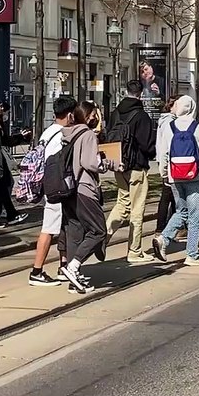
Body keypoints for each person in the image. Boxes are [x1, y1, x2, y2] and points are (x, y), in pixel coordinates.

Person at [153, 95, 199, 266]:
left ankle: (163, 238)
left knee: (181, 211)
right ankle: (192, 255)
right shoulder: (198, 127)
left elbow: (164, 153)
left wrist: (164, 174)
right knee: (195, 215)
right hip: (193, 176)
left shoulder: (169, 126)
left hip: (174, 176)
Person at [59, 102, 116, 293]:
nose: (96, 118)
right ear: (88, 116)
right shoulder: (88, 134)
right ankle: (73, 266)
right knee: (98, 231)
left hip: (69, 189)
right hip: (84, 189)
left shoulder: (68, 133)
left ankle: (73, 279)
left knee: (74, 233)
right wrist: (108, 164)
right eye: (94, 114)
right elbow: (90, 163)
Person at [105, 81, 158, 264]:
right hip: (136, 167)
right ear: (140, 94)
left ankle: (102, 237)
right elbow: (147, 145)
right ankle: (134, 251)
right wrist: (151, 153)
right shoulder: (142, 116)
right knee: (137, 208)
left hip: (118, 165)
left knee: (122, 203)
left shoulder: (115, 113)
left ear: (126, 92)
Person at [28, 97, 78, 286]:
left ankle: (63, 265)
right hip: (55, 187)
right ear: (70, 115)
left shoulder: (48, 131)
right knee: (49, 229)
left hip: (47, 184)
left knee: (63, 225)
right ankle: (37, 271)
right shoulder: (62, 135)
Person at [154, 97, 180, 231]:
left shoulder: (166, 121)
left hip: (167, 162)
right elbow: (166, 146)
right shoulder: (169, 122)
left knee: (171, 197)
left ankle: (167, 227)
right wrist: (164, 168)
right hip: (170, 163)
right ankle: (163, 228)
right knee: (169, 196)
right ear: (171, 107)